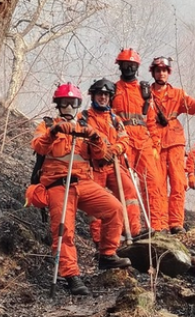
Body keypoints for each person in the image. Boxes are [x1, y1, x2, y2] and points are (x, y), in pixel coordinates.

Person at [32, 83, 132, 295]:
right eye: (64, 103)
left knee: (115, 208)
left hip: (84, 183)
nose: (68, 107)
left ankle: (106, 254)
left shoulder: (86, 126)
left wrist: (95, 139)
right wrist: (54, 132)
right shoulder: (48, 124)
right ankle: (71, 276)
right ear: (58, 105)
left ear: (78, 104)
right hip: (58, 185)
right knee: (64, 230)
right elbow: (38, 146)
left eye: (73, 103)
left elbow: (100, 156)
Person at [148, 56, 195, 234]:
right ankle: (159, 225)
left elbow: (194, 108)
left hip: (175, 141)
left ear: (168, 73)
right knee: (157, 185)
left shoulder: (177, 93)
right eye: (158, 70)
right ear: (153, 72)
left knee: (178, 183)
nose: (161, 73)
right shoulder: (146, 94)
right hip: (155, 143)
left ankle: (176, 223)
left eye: (164, 70)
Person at [78, 78, 148, 242]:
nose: (102, 98)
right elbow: (83, 140)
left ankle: (133, 230)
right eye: (99, 94)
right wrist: (101, 149)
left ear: (110, 97)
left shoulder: (115, 119)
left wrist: (116, 149)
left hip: (113, 165)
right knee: (96, 202)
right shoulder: (84, 117)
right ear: (93, 96)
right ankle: (99, 240)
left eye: (106, 95)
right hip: (93, 167)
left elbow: (125, 139)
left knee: (129, 190)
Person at [110, 48, 169, 233]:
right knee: (125, 185)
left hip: (143, 140)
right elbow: (107, 117)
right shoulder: (112, 90)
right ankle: (131, 229)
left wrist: (155, 144)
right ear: (119, 66)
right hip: (123, 140)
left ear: (137, 67)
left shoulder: (144, 90)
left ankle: (157, 227)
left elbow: (151, 120)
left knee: (153, 183)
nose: (128, 68)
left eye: (132, 65)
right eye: (125, 65)